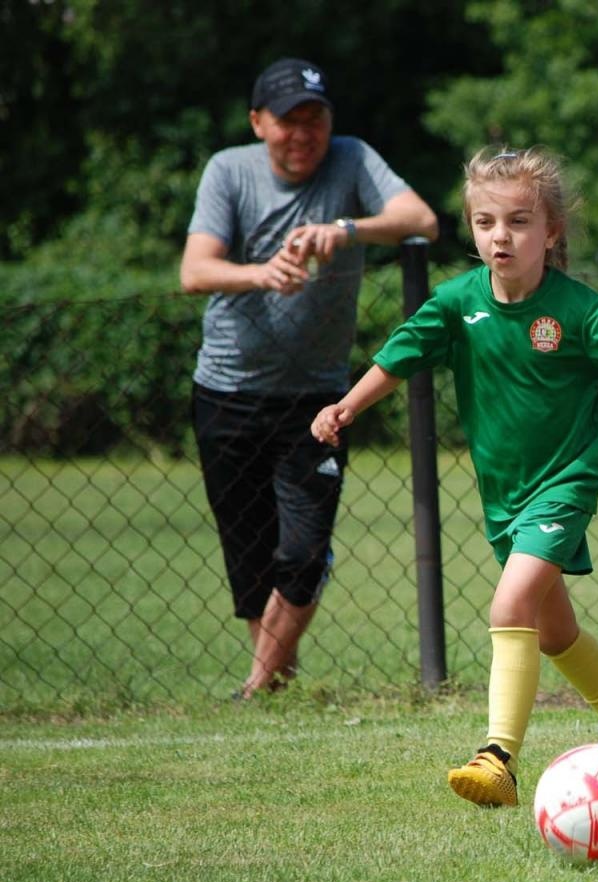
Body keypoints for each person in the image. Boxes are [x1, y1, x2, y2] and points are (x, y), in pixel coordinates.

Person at [310, 147, 598, 808]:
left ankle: (498, 756)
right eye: (485, 222)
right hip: (505, 494)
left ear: (552, 231)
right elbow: (399, 356)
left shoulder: (577, 309)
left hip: (567, 480)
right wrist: (347, 407)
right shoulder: (457, 302)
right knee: (553, 632)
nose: (501, 235)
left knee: (509, 607)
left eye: (519, 221)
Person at [180, 57, 439, 699]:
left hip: (317, 400)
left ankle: (257, 687)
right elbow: (195, 270)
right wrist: (261, 273)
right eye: (288, 121)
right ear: (257, 123)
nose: (303, 134)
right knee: (250, 556)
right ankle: (276, 682)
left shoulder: (351, 159)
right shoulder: (228, 170)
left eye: (314, 119)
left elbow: (422, 220)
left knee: (302, 551)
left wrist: (347, 230)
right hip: (226, 391)